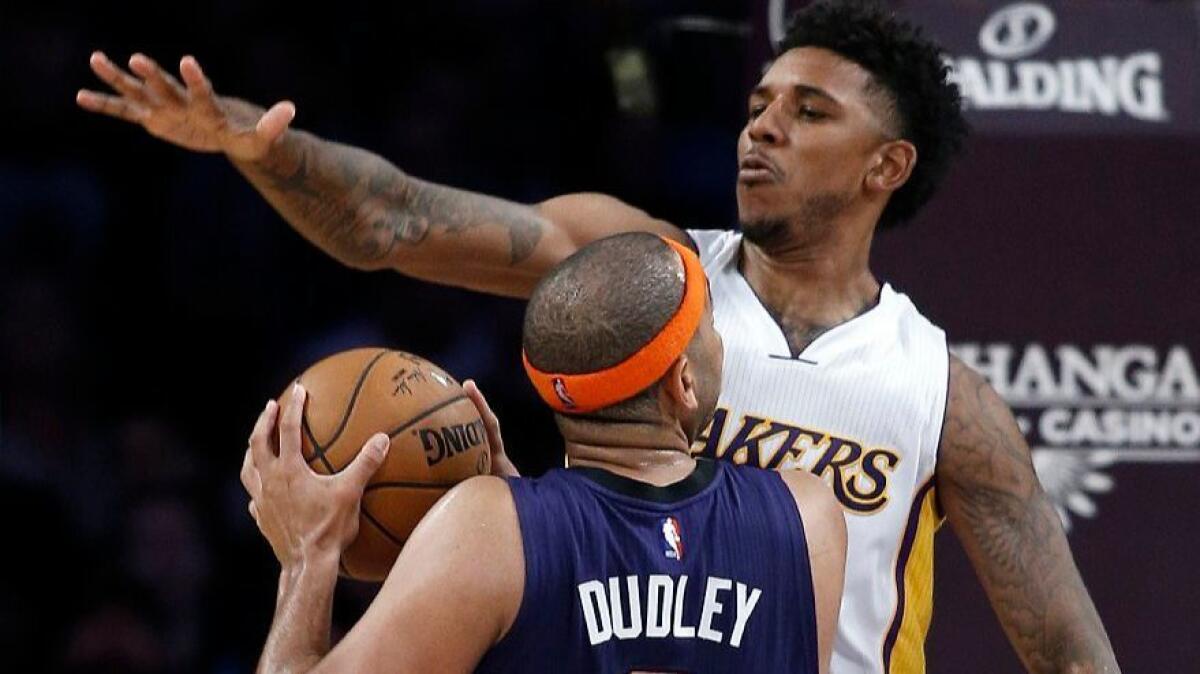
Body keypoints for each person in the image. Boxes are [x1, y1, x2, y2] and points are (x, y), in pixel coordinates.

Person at [79, 2, 1119, 671]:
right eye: (759, 103)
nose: (761, 126)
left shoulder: (944, 393)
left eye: (807, 112)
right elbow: (392, 219)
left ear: (884, 166)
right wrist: (263, 149)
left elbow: (1072, 655)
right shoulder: (639, 272)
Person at [239, 233, 847, 673]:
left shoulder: (492, 534)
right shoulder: (807, 516)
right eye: (712, 326)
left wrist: (306, 557)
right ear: (682, 382)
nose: (721, 340)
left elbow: (586, 583)